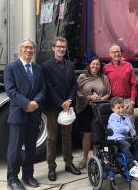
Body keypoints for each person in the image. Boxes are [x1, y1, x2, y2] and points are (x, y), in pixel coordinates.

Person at [4, 39, 45, 190]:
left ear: (34, 51)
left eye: (31, 48)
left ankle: (28, 175)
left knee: (31, 148)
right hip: (18, 114)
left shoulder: (38, 68)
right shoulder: (11, 67)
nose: (29, 50)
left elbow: (42, 88)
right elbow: (11, 91)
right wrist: (27, 104)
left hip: (34, 115)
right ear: (21, 49)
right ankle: (12, 179)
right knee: (14, 150)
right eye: (26, 47)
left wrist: (35, 103)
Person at [42, 36, 81, 182]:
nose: (61, 49)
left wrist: (70, 100)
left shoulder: (70, 65)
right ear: (53, 48)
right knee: (51, 138)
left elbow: (73, 84)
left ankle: (69, 164)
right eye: (58, 46)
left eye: (63, 47)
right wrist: (60, 102)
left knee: (67, 136)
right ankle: (51, 168)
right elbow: (48, 87)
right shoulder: (46, 66)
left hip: (67, 107)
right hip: (53, 107)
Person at [76, 57, 111, 169]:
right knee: (87, 134)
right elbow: (78, 93)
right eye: (93, 64)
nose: (95, 66)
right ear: (89, 65)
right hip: (86, 108)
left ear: (100, 66)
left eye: (97, 64)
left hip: (99, 108)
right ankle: (85, 158)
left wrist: (101, 99)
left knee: (97, 134)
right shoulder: (82, 77)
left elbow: (108, 93)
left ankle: (95, 158)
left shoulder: (104, 77)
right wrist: (90, 97)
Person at [107, 96, 138, 178]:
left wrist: (134, 135)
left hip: (124, 138)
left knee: (137, 140)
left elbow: (131, 129)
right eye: (118, 108)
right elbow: (118, 129)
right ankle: (131, 167)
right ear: (113, 109)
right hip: (115, 139)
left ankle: (134, 161)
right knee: (126, 145)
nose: (121, 110)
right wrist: (127, 128)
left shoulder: (126, 118)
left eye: (122, 107)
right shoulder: (113, 117)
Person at [104, 44, 137, 115]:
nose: (117, 54)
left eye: (118, 51)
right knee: (115, 125)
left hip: (126, 101)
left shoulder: (128, 65)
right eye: (114, 52)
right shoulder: (106, 68)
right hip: (113, 101)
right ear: (110, 54)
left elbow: (134, 85)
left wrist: (132, 102)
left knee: (128, 125)